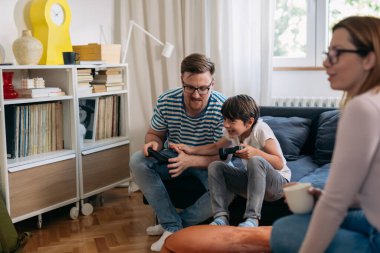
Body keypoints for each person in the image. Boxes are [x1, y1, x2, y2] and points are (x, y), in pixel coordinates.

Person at [270, 16, 380, 252]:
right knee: (303, 219)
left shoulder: (362, 108)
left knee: (283, 231)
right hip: (373, 218)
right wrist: (323, 197)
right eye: (327, 53)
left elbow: (335, 204)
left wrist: (329, 201)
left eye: (336, 53)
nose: (326, 64)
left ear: (369, 58)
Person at [129, 53, 226, 252]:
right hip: (173, 156)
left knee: (227, 187)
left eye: (203, 88)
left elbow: (224, 155)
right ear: (181, 80)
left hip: (208, 161)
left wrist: (190, 161)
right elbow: (154, 134)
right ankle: (171, 226)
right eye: (190, 87)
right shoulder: (166, 100)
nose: (196, 94)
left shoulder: (223, 108)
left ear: (212, 84)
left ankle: (173, 226)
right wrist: (153, 144)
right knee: (138, 160)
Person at [171, 95, 291, 227]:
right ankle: (221, 218)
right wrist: (191, 149)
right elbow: (216, 147)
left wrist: (256, 152)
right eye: (225, 119)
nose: (226, 124)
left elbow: (279, 163)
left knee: (255, 161)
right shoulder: (232, 133)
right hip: (253, 181)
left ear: (249, 122)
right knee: (216, 166)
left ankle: (252, 219)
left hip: (277, 185)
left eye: (232, 120)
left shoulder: (260, 130)